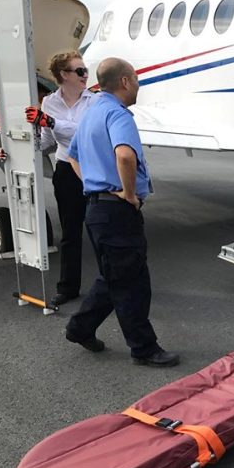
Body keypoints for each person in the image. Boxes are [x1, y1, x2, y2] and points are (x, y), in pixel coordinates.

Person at [65, 57, 179, 367]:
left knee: (115, 276)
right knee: (133, 283)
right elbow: (126, 156)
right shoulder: (118, 114)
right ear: (125, 81)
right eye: (136, 79)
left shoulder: (91, 112)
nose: (138, 85)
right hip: (117, 212)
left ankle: (80, 328)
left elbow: (72, 156)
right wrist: (128, 194)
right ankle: (144, 348)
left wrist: (93, 183)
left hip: (98, 209)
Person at [25, 51, 94, 306]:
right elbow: (47, 141)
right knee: (70, 232)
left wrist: (52, 122)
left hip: (93, 169)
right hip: (66, 170)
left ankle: (113, 283)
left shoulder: (94, 101)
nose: (85, 75)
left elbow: (85, 133)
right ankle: (68, 287)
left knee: (100, 229)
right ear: (64, 75)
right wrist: (15, 151)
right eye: (80, 71)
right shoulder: (49, 102)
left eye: (85, 70)